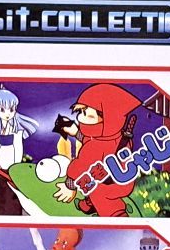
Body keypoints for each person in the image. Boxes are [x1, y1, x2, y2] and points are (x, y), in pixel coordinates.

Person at [56, 84, 143, 217]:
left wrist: (69, 186)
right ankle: (88, 205)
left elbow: (80, 167)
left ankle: (118, 214)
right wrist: (77, 132)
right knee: (94, 183)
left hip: (111, 184)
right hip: (120, 180)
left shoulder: (97, 146)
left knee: (99, 194)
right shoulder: (116, 136)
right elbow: (93, 140)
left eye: (87, 115)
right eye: (81, 113)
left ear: (108, 120)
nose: (79, 118)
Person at [0, 85, 38, 169]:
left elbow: (18, 149)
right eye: (2, 110)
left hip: (11, 164)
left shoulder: (17, 129)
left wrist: (15, 167)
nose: (8, 113)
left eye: (11, 110)